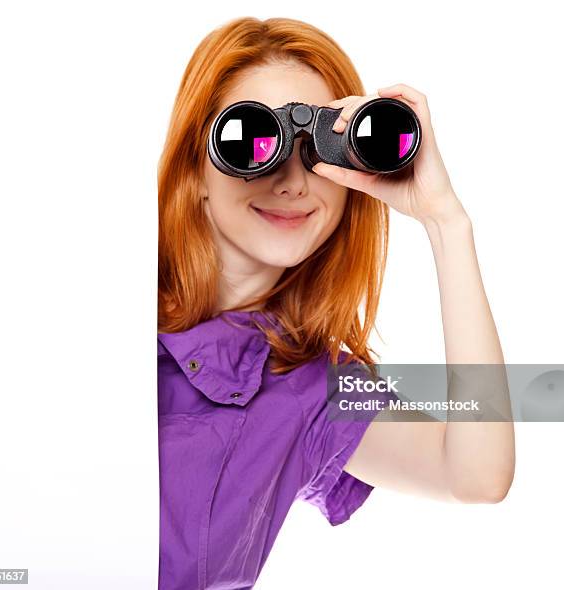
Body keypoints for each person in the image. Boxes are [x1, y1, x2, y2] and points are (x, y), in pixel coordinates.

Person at [157, 16, 515, 590]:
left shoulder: (310, 390)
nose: (293, 181)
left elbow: (476, 473)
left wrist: (447, 223)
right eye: (252, 140)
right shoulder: (95, 295)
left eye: (322, 148)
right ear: (195, 166)